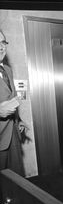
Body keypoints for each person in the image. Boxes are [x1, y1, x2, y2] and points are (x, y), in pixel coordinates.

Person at [0, 30, 28, 176]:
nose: (1, 47)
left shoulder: (7, 70)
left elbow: (10, 99)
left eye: (3, 42)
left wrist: (19, 121)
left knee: (16, 180)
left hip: (12, 136)